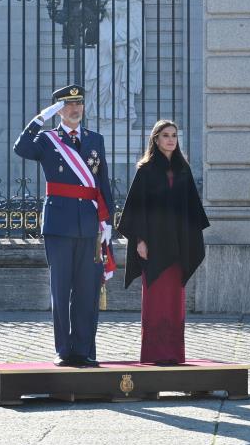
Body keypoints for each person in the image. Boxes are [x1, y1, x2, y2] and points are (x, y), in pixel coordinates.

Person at [14, 84, 114, 367]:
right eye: (68, 105)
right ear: (59, 109)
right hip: (59, 224)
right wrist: (39, 119)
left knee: (88, 290)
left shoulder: (95, 139)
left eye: (79, 103)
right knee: (61, 290)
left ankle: (84, 350)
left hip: (90, 226)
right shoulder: (47, 140)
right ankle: (63, 350)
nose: (75, 109)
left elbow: (102, 182)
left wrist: (108, 221)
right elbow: (20, 148)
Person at [116, 120, 209, 365]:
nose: (171, 139)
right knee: (155, 300)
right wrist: (140, 241)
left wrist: (190, 241)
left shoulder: (183, 170)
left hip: (178, 247)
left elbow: (191, 211)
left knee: (175, 301)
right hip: (154, 246)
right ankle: (154, 355)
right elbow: (136, 211)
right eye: (165, 135)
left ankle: (174, 354)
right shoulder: (145, 171)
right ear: (155, 140)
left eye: (174, 135)